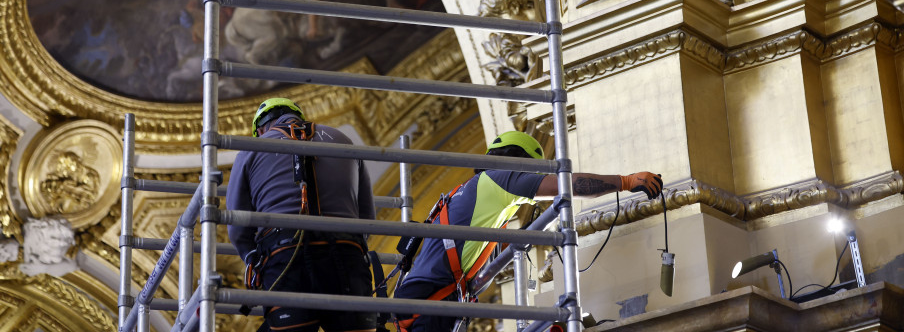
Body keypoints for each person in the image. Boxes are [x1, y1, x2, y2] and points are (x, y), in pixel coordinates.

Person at [392, 131, 663, 332]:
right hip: (430, 301)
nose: (532, 179)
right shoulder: (499, 179)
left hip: (426, 298)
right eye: (532, 171)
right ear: (519, 161)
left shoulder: (474, 194)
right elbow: (566, 185)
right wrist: (626, 181)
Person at [226, 97, 378, 332]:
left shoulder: (251, 151)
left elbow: (237, 227)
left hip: (285, 258)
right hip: (347, 255)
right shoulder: (343, 140)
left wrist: (252, 260)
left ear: (261, 128)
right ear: (298, 115)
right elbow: (367, 217)